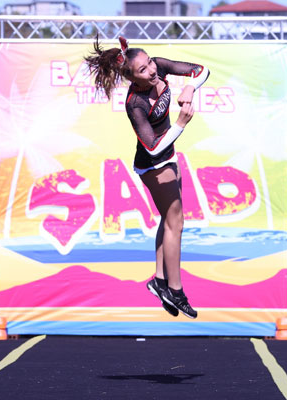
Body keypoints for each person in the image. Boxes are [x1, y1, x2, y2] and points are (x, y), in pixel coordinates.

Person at [85, 37, 210, 319]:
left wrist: (190, 86)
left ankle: (159, 281)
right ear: (132, 78)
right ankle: (176, 290)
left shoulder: (160, 68)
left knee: (168, 219)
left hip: (169, 156)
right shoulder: (135, 104)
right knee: (176, 222)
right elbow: (153, 147)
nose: (151, 70)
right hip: (153, 163)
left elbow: (202, 70)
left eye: (150, 62)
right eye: (142, 70)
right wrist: (181, 123)